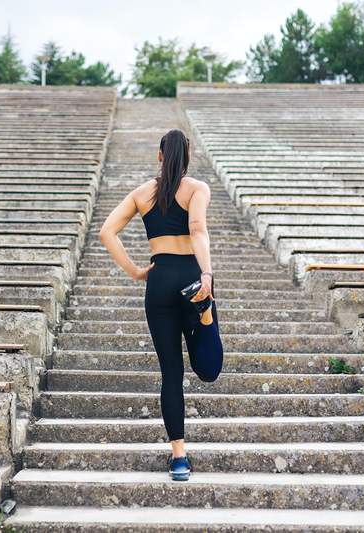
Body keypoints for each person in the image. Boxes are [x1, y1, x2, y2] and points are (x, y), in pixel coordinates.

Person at [99, 128, 213, 481]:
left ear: (160, 155)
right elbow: (197, 230)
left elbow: (106, 231)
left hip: (160, 281)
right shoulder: (197, 189)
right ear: (188, 156)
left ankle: (179, 457)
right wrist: (207, 276)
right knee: (208, 369)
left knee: (171, 374)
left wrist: (136, 271)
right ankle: (205, 315)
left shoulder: (141, 194)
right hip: (193, 278)